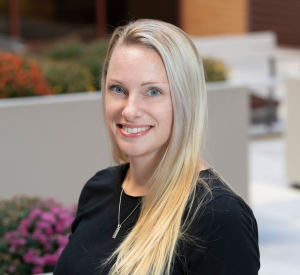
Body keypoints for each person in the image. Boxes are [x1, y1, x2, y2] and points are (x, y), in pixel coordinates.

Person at [53, 19, 260, 275]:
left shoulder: (218, 217)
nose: (129, 110)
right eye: (118, 89)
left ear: (186, 101)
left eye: (152, 92)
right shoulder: (99, 188)